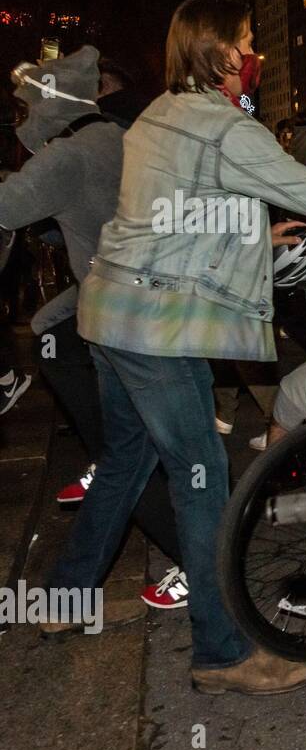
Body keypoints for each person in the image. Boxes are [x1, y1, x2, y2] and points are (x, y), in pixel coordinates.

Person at [45, 0, 306, 694]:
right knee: (203, 479)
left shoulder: (155, 117)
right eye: (245, 40)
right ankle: (222, 651)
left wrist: (253, 237)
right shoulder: (225, 129)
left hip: (107, 312)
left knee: (125, 459)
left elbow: (160, 217)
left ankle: (63, 598)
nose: (252, 53)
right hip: (156, 328)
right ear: (225, 53)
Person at [0, 46, 190, 607]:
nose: (20, 122)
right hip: (154, 307)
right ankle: (73, 589)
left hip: (127, 324)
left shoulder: (67, 158)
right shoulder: (121, 137)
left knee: (132, 456)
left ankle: (205, 570)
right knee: (134, 451)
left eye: (26, 109)